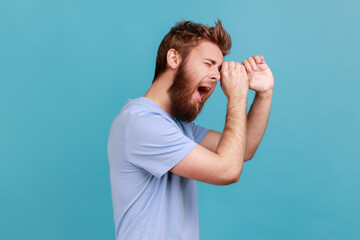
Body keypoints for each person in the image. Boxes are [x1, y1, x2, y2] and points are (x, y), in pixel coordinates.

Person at [107, 19, 274, 240]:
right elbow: (227, 170)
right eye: (208, 63)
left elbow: (243, 150)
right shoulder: (141, 123)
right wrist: (237, 96)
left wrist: (264, 93)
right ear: (174, 58)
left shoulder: (177, 127)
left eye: (219, 68)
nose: (216, 77)